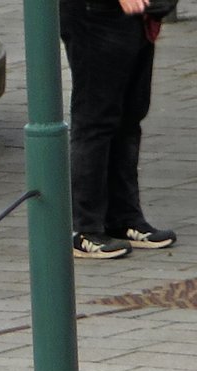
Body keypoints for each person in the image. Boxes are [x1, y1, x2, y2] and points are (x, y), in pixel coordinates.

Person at [64, 0, 177, 258]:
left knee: (129, 116)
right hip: (96, 14)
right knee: (95, 119)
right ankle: (86, 230)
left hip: (138, 14)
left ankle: (124, 218)